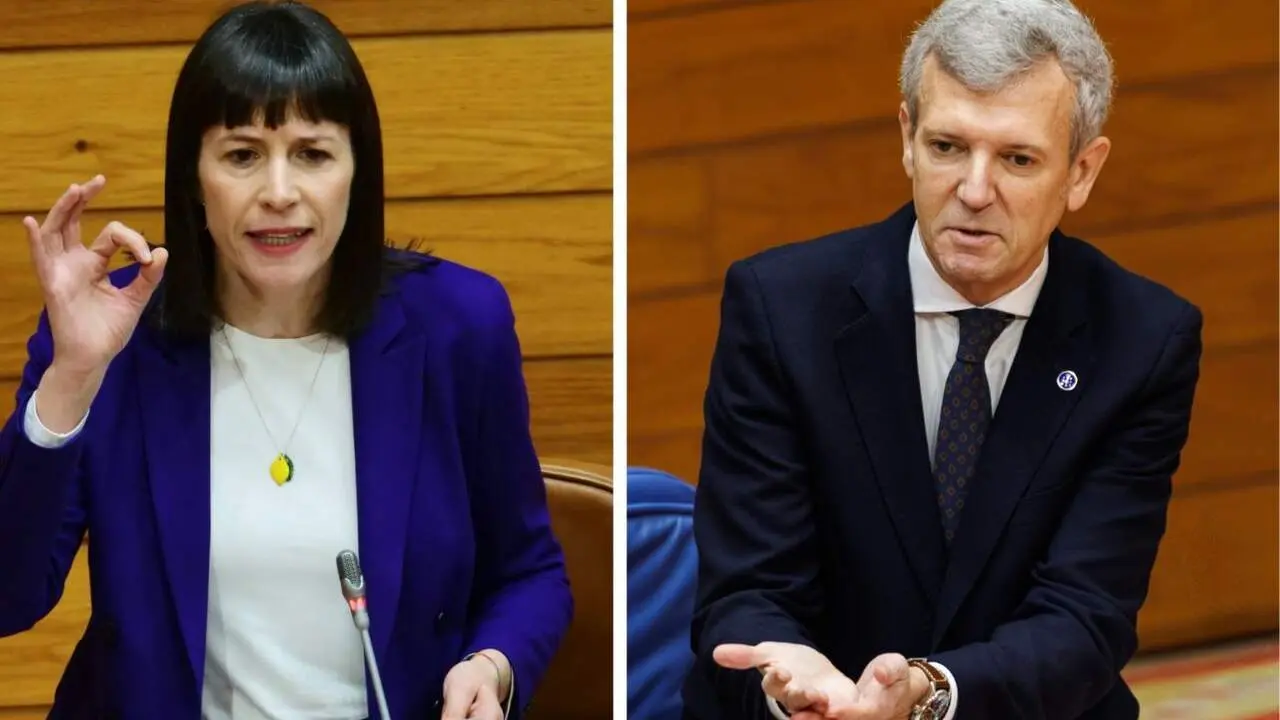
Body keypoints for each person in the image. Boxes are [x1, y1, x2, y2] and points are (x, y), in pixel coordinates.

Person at [0, 2, 572, 718]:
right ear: (194, 178)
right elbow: (9, 597)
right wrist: (73, 379)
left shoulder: (458, 325)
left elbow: (529, 572)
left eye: (313, 153)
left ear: (356, 172)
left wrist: (492, 667)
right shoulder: (112, 333)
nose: (278, 192)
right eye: (242, 155)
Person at [682, 1, 1202, 718]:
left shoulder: (1143, 339)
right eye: (948, 147)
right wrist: (796, 682)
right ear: (906, 138)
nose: (975, 191)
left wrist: (929, 693)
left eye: (1017, 159)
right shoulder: (780, 307)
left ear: (1082, 172)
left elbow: (1085, 614)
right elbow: (747, 590)